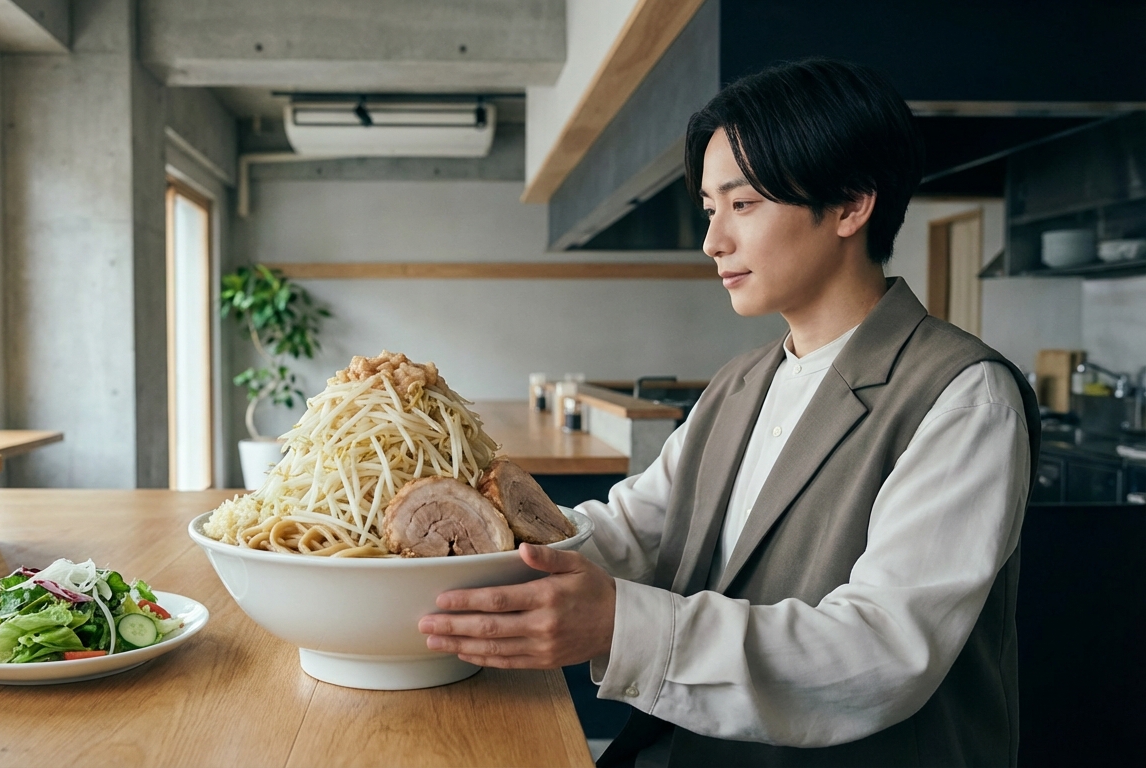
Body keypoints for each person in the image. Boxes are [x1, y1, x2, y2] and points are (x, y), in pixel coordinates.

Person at [418, 58, 1040, 767]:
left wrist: (621, 625)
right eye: (711, 210)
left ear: (849, 204)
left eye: (742, 205)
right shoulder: (741, 382)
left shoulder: (962, 394)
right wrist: (480, 540)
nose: (714, 241)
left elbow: (883, 651)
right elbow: (633, 529)